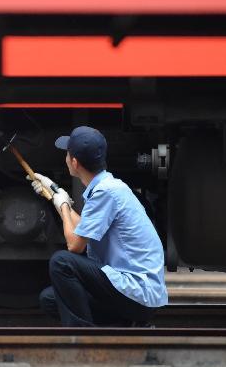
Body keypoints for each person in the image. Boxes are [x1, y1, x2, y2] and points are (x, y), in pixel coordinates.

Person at [29, 126, 168, 327]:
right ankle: (122, 324)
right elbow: (82, 230)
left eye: (67, 154)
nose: (66, 158)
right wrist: (54, 193)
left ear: (74, 162)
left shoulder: (105, 193)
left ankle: (82, 336)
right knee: (49, 299)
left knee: (61, 262)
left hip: (137, 293)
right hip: (131, 291)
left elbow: (76, 246)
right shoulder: (109, 186)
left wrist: (64, 204)